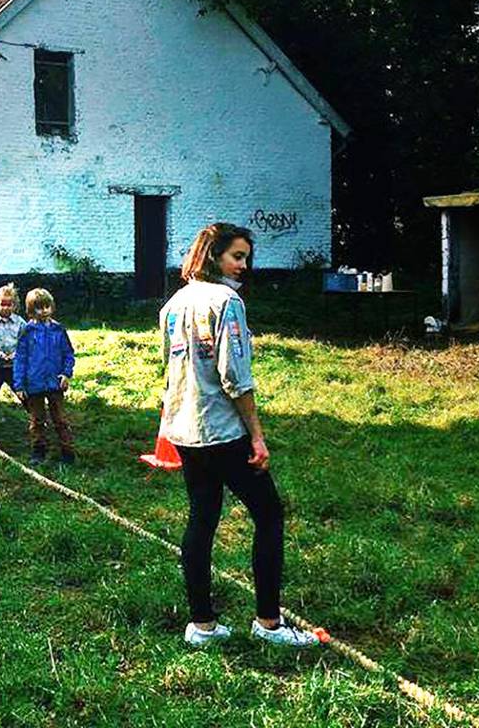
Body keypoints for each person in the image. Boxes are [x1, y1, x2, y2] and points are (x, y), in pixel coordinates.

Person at [160, 222, 317, 649]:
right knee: (269, 514)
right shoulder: (227, 300)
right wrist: (258, 437)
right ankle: (269, 624)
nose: (244, 265)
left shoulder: (173, 304)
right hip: (222, 430)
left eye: (246, 257)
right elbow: (236, 377)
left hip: (185, 429)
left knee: (202, 517)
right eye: (238, 256)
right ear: (214, 256)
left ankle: (202, 626)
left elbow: (168, 370)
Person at [13, 288, 75, 465]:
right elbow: (20, 358)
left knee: (60, 419)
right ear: (31, 310)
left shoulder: (58, 329)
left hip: (55, 383)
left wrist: (66, 373)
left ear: (52, 307)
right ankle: (38, 450)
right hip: (34, 384)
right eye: (39, 308)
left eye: (47, 306)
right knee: (37, 420)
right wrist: (19, 385)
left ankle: (67, 451)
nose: (44, 311)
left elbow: (68, 353)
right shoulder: (27, 331)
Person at [0, 283, 26, 417]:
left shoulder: (20, 323)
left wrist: (15, 355)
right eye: (3, 304)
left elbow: (25, 342)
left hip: (14, 366)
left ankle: (37, 419)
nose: (6, 307)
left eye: (10, 304)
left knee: (25, 394)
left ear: (15, 305)